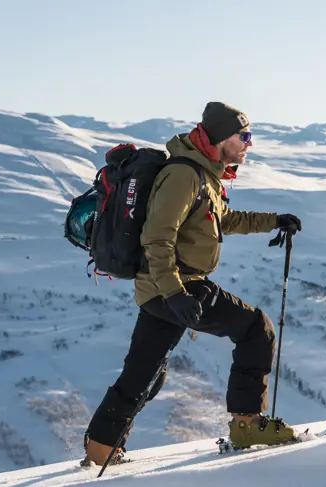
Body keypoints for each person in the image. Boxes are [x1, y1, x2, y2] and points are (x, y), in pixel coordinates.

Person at [82, 101, 303, 465]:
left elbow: (223, 220)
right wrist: (176, 295)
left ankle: (100, 450)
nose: (249, 143)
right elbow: (157, 238)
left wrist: (274, 220)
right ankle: (247, 425)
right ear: (221, 138)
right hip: (177, 287)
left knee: (144, 375)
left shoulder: (204, 174)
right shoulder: (185, 176)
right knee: (255, 329)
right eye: (244, 136)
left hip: (164, 290)